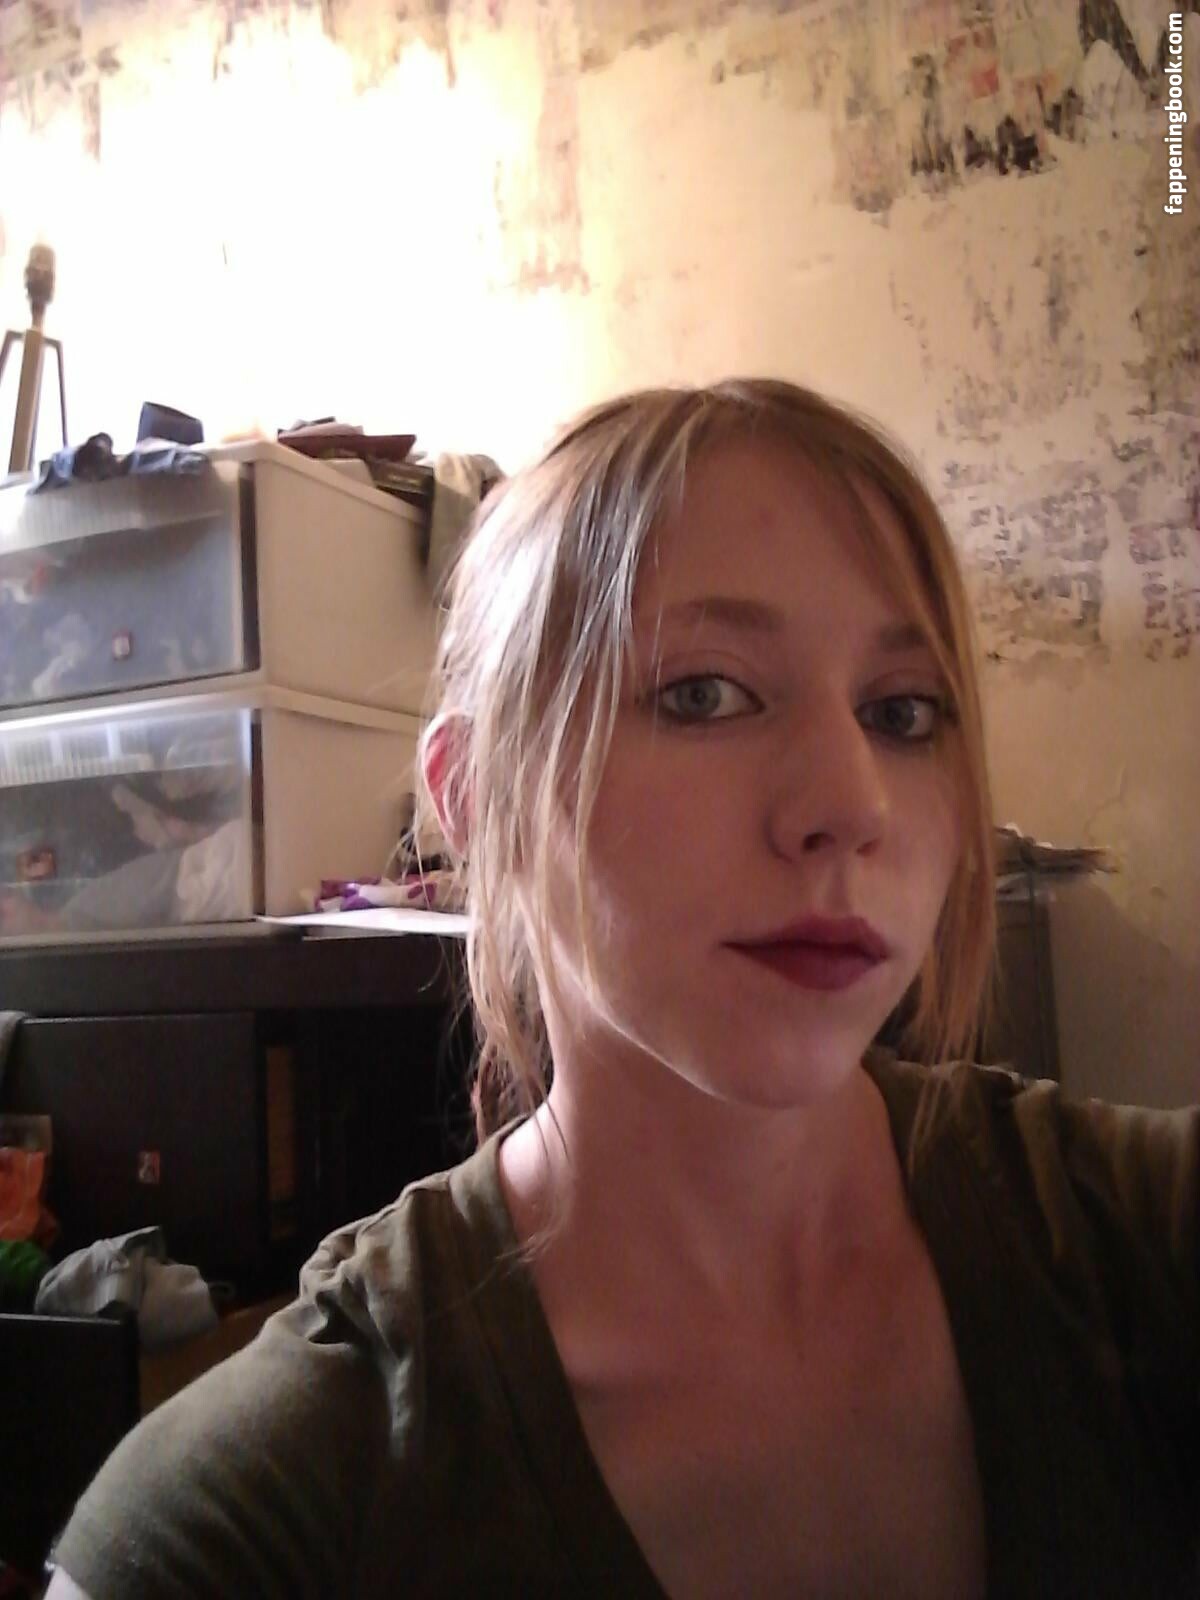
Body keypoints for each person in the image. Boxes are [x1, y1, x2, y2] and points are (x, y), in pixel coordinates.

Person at [46, 380, 1199, 1599]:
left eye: (902, 712)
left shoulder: (1137, 1242)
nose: (851, 804)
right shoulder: (283, 1499)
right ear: (478, 797)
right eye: (705, 693)